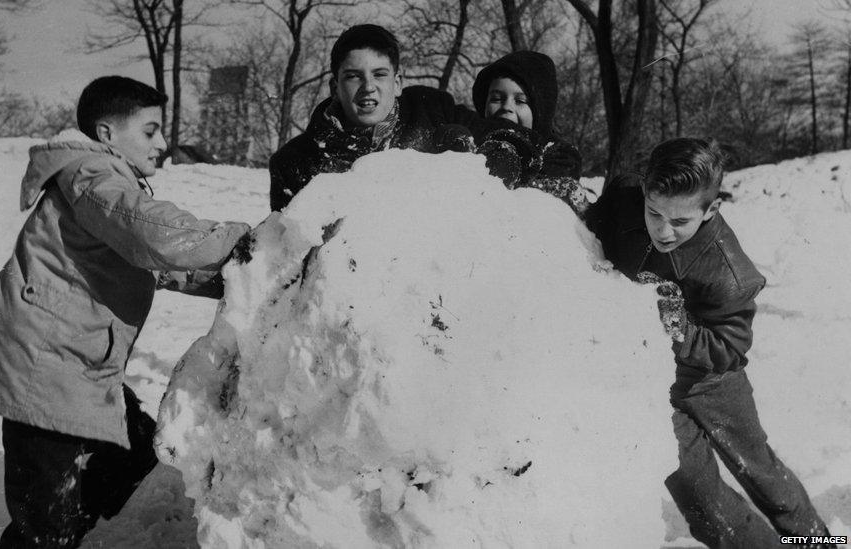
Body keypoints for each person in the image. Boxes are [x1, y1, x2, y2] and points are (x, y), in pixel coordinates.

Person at [0, 76, 251, 548]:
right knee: (46, 520)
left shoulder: (101, 180)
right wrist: (244, 241)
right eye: (149, 131)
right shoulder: (93, 176)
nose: (162, 144)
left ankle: (60, 532)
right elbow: (151, 232)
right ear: (106, 134)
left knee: (135, 448)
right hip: (43, 368)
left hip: (73, 364)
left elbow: (156, 262)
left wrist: (244, 276)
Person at [585, 138, 831, 547]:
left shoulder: (730, 271)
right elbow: (588, 222)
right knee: (701, 498)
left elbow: (730, 347)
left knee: (760, 470)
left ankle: (818, 543)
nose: (663, 230)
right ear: (644, 194)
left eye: (680, 222)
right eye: (654, 213)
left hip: (715, 384)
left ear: (711, 209)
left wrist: (681, 327)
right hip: (654, 387)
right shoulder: (625, 203)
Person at [269, 24, 532, 212]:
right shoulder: (295, 163)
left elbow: (521, 139)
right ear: (334, 88)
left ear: (397, 83)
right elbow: (284, 260)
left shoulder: (433, 111)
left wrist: (502, 156)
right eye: (353, 76)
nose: (368, 86)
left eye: (379, 74)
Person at [472, 50, 586, 214]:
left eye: (520, 101)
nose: (506, 107)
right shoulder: (474, 134)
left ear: (539, 112)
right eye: (496, 99)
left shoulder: (559, 154)